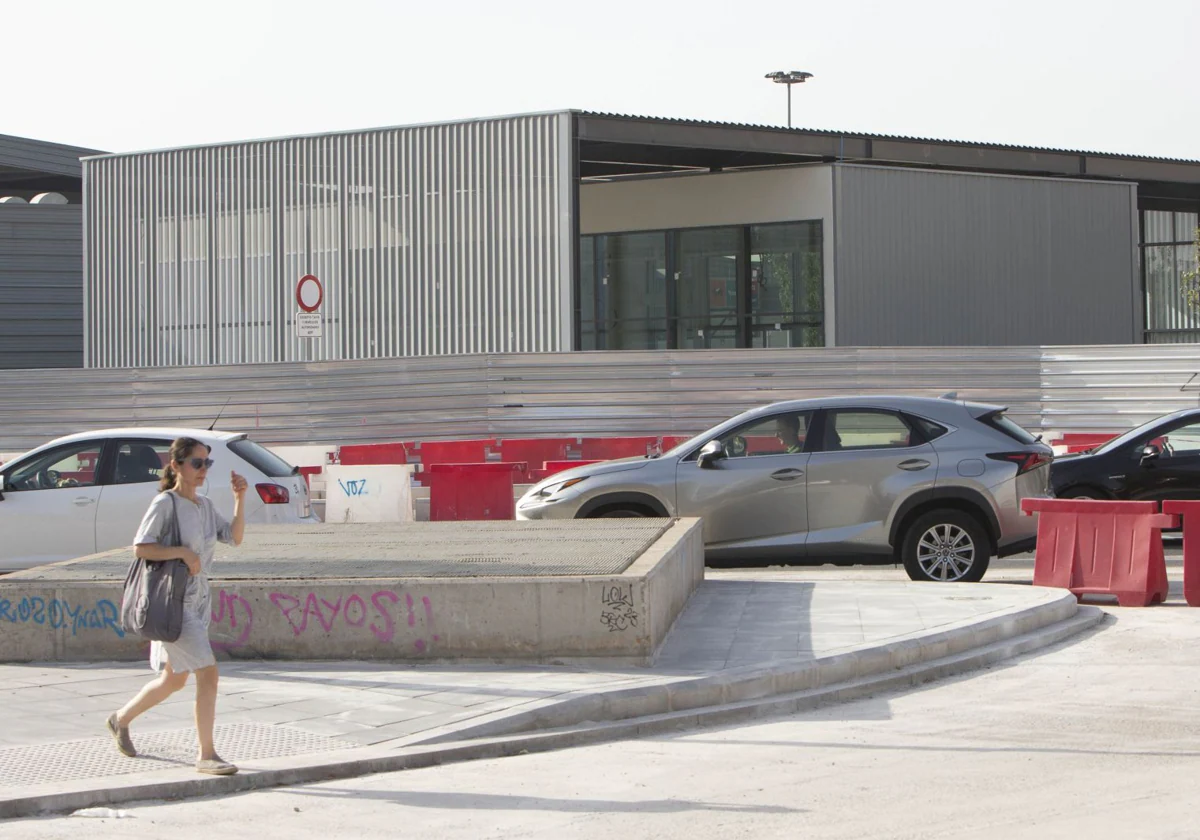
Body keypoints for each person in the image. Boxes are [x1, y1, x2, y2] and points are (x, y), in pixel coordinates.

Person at [105, 437, 248, 776]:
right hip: (174, 601)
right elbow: (142, 547)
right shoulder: (165, 503)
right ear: (176, 466)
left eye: (206, 463)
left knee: (174, 679)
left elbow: (235, 537)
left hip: (199, 599)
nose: (202, 470)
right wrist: (182, 552)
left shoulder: (204, 505)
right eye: (196, 463)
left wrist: (241, 499)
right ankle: (207, 754)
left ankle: (120, 719)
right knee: (208, 672)